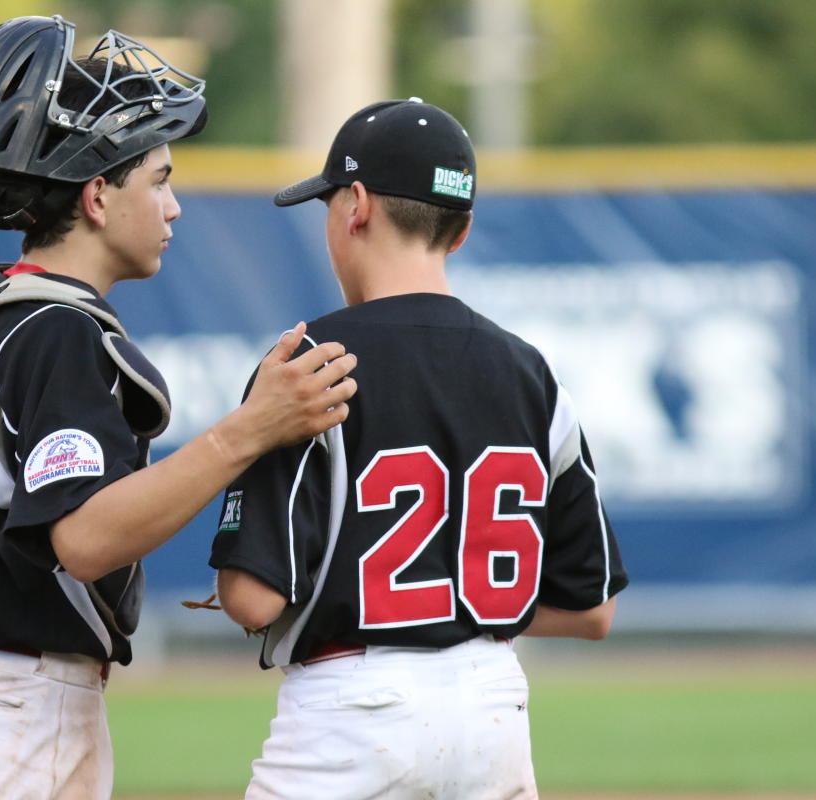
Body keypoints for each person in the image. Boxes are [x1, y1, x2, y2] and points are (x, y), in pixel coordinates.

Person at [0, 15, 356, 800]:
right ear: (97, 195)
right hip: (14, 713)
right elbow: (86, 539)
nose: (174, 207)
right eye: (159, 179)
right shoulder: (61, 331)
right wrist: (250, 428)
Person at [209, 98, 628, 799]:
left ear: (357, 206)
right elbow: (591, 609)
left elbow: (253, 599)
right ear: (458, 232)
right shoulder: (531, 372)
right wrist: (456, 599)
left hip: (353, 714)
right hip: (495, 707)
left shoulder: (310, 364)